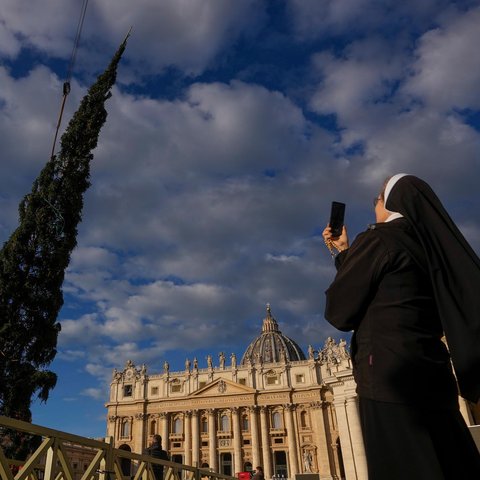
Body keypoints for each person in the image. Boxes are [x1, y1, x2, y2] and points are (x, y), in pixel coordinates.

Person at [323, 174, 480, 479]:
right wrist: (344, 252)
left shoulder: (378, 239)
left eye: (376, 200)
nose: (374, 207)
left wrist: (349, 253)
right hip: (435, 378)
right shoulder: (429, 249)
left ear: (390, 202)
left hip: (389, 379)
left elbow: (340, 311)